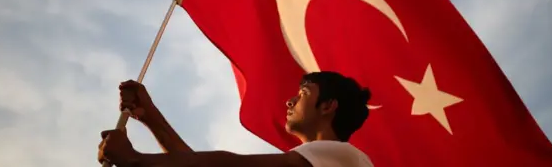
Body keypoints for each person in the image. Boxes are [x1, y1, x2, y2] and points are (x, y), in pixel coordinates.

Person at [98, 71, 374, 167]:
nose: (289, 101)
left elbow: (233, 164)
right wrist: (151, 118)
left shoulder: (345, 157)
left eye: (303, 93)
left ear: (328, 106)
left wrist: (138, 160)